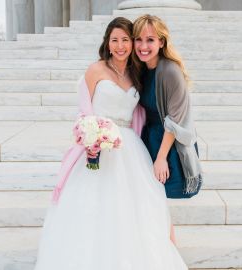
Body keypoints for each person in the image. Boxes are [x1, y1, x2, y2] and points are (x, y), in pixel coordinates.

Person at [34, 17, 187, 270]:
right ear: (107, 42)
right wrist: (90, 137)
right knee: (92, 209)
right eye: (114, 40)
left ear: (132, 43)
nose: (120, 46)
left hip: (130, 148)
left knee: (133, 210)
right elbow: (83, 112)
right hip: (98, 148)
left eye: (125, 40)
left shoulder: (138, 74)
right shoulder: (95, 70)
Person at [133, 15, 203, 244]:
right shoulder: (141, 70)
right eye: (139, 39)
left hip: (167, 143)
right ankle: (160, 250)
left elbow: (174, 121)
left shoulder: (170, 71)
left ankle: (168, 251)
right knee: (152, 200)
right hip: (149, 138)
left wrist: (161, 158)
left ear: (161, 42)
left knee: (157, 199)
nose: (144, 46)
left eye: (150, 40)